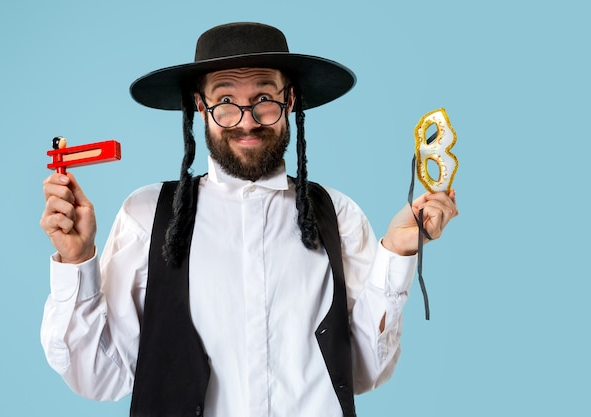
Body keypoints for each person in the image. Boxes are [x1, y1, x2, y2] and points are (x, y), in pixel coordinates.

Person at [40, 22, 458, 417]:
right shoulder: (146, 215)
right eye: (225, 101)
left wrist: (398, 252)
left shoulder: (338, 215)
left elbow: (364, 374)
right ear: (199, 106)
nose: (246, 120)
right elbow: (100, 378)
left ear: (290, 100)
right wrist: (77, 263)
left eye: (263, 99)